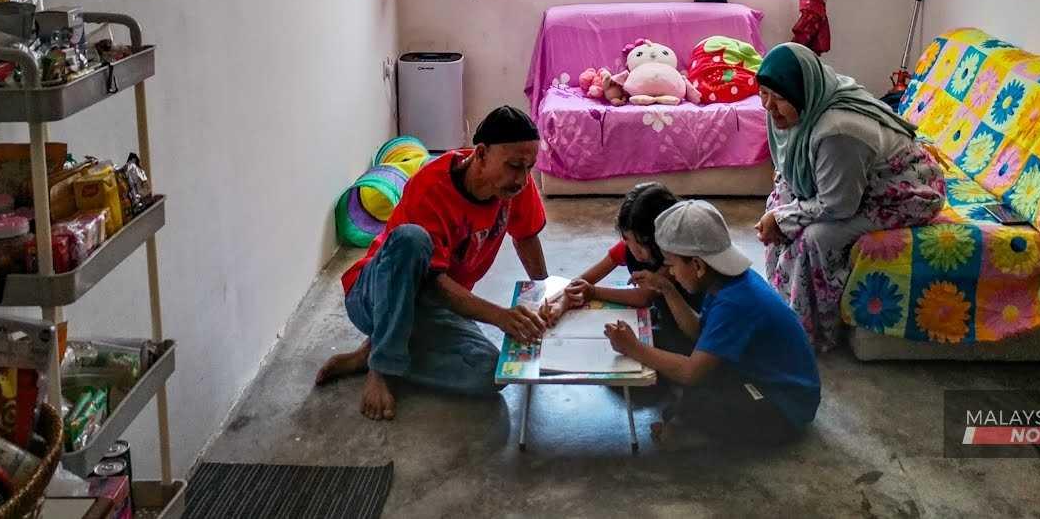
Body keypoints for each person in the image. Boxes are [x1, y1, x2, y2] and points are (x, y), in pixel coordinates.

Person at [315, 106, 553, 420]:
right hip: (376, 294)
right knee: (411, 239)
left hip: (436, 305)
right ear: (480, 154)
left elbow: (525, 237)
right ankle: (381, 367)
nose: (522, 179)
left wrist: (546, 293)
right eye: (513, 166)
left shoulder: (514, 186)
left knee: (488, 373)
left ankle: (373, 351)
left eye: (529, 167)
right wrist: (499, 316)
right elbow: (433, 282)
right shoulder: (430, 186)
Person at [754, 42, 946, 349]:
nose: (768, 106)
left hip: (904, 191)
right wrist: (781, 211)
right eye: (763, 93)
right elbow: (791, 170)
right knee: (780, 203)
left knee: (815, 238)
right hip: (855, 181)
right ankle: (781, 304)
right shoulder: (811, 97)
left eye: (778, 97)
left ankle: (810, 331)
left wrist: (782, 218)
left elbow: (838, 205)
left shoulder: (837, 131)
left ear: (803, 92)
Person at [604, 200, 820, 449]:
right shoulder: (723, 281)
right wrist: (666, 289)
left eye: (672, 266)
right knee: (675, 359)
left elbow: (690, 371)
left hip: (784, 405)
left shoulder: (735, 302)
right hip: (754, 373)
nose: (671, 273)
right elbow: (699, 331)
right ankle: (687, 421)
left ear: (697, 266)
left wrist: (633, 348)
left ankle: (694, 436)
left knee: (696, 400)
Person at [546, 183, 700, 354]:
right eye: (626, 238)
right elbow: (584, 280)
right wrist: (561, 304)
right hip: (661, 314)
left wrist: (593, 292)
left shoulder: (674, 258)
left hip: (687, 328)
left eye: (642, 243)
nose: (633, 248)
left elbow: (644, 297)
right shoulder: (627, 247)